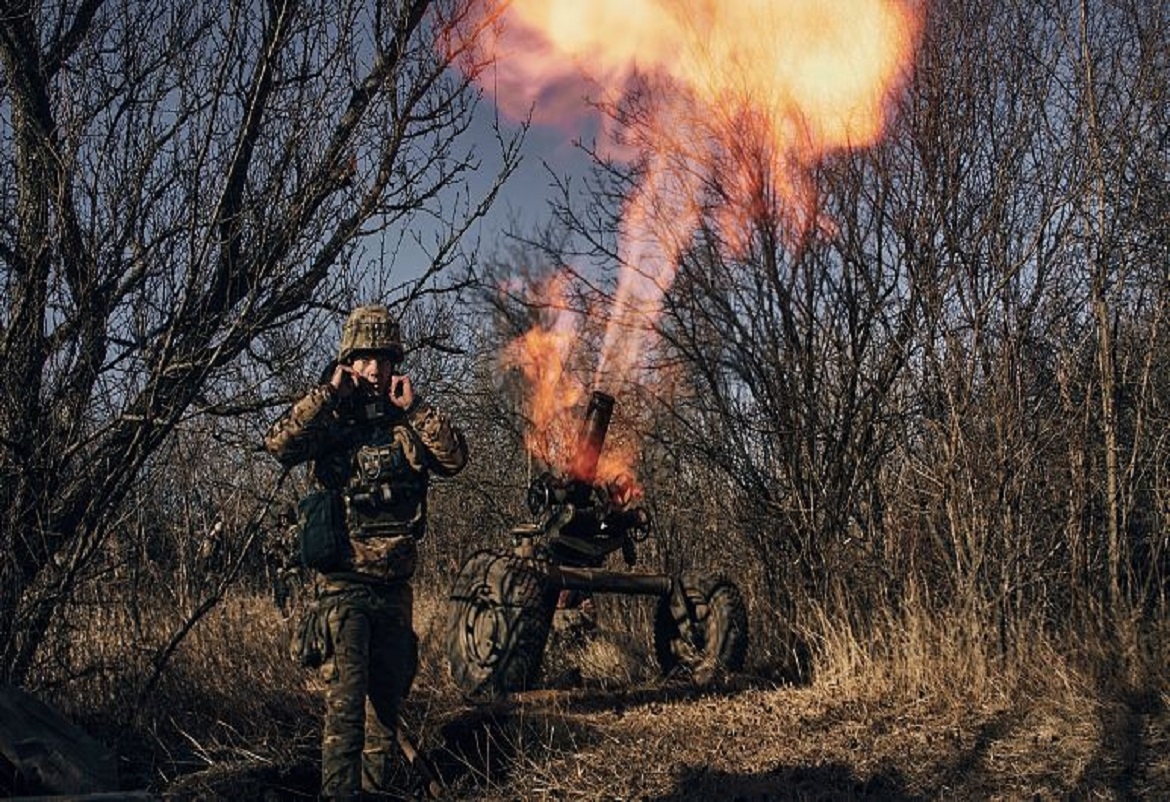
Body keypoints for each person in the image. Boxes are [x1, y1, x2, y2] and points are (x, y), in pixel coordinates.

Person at [265, 304, 467, 800]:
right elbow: (278, 444)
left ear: (395, 361)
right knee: (347, 709)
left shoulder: (408, 421)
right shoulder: (331, 421)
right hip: (345, 589)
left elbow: (455, 459)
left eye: (383, 358)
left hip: (395, 589)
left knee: (385, 714)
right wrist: (328, 394)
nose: (374, 370)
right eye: (364, 359)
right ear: (347, 362)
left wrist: (416, 409)